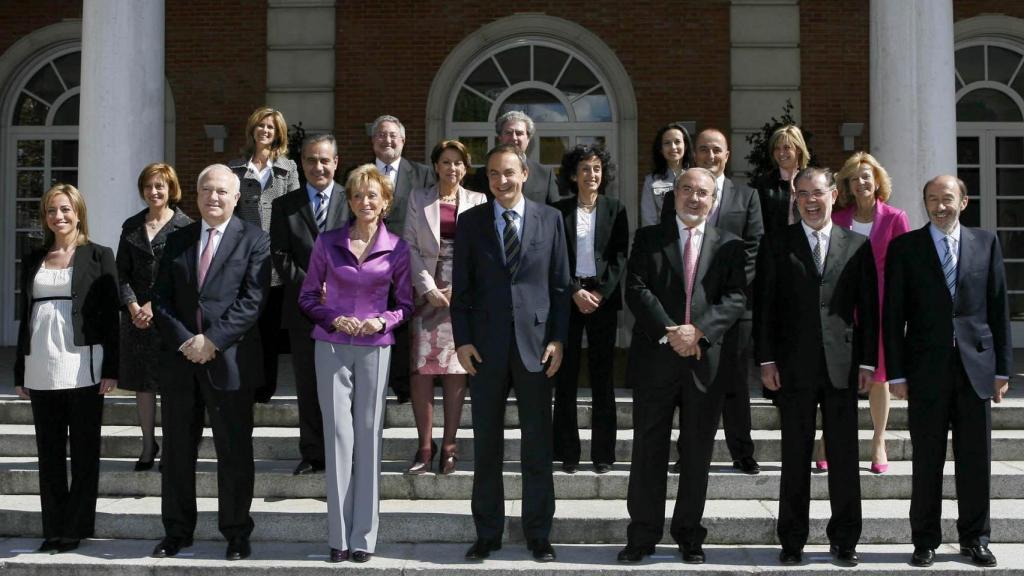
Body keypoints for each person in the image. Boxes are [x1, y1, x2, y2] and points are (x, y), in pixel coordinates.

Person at [617, 168, 747, 564]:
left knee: (696, 453)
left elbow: (736, 297)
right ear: (674, 195)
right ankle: (642, 535)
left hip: (703, 363)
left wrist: (699, 332)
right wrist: (672, 331)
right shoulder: (648, 238)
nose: (694, 198)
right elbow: (636, 289)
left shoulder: (731, 245)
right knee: (648, 452)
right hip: (656, 359)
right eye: (686, 189)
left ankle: (689, 534)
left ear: (714, 200)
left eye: (702, 192)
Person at [884, 175, 1012, 568]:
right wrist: (897, 374)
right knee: (927, 459)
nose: (940, 207)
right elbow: (893, 316)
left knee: (976, 460)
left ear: (964, 201)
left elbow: (998, 308)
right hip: (926, 371)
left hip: (976, 368)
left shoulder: (986, 243)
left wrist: (1002, 369)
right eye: (932, 200)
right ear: (924, 203)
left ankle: (976, 538)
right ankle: (924, 539)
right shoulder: (906, 247)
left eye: (948, 199)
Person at [452, 144, 571, 562]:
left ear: (525, 174)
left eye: (509, 173)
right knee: (487, 447)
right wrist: (462, 340)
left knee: (537, 446)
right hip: (484, 351)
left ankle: (539, 533)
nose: (502, 181)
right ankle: (487, 533)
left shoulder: (551, 219)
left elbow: (560, 287)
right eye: (494, 175)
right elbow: (461, 290)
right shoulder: (470, 223)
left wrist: (558, 339)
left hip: (537, 350)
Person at [755, 167, 877, 567]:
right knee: (795, 457)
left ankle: (845, 540)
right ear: (795, 197)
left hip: (843, 369)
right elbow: (765, 308)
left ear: (832, 195)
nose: (810, 200)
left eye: (817, 192)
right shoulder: (776, 243)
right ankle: (792, 540)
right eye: (802, 192)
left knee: (844, 458)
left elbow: (869, 311)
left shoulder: (857, 246)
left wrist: (867, 362)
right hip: (792, 368)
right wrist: (767, 359)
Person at [151, 164, 270, 562]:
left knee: (234, 452)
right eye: (206, 190)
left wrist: (213, 340)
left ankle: (236, 532)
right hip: (181, 362)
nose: (213, 197)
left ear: (237, 198)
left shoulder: (253, 239)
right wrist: (188, 340)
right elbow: (162, 298)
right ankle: (177, 531)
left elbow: (253, 300)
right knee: (177, 453)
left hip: (230, 362)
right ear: (195, 195)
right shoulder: (177, 239)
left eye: (221, 191)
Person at [298, 164, 412, 563]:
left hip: (376, 346)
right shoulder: (327, 243)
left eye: (372, 195)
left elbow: (406, 304)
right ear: (349, 201)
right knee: (337, 439)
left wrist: (383, 319)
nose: (365, 202)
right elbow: (308, 296)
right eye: (358, 195)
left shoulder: (397, 247)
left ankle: (364, 538)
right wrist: (332, 316)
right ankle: (339, 538)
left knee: (369, 439)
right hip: (330, 345)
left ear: (385, 203)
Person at [14, 184, 119, 554]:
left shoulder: (99, 255)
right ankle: (54, 528)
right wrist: (19, 371)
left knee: (85, 451)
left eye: (64, 210)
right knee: (50, 453)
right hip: (40, 365)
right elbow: (25, 317)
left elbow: (111, 316)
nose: (58, 217)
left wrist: (112, 368)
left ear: (78, 212)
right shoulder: (34, 258)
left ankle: (75, 527)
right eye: (51, 211)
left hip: (82, 365)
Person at [662, 128, 764, 475]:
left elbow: (753, 249)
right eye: (703, 149)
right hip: (685, 309)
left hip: (732, 311)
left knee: (734, 383)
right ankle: (687, 452)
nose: (710, 155)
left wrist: (722, 300)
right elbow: (671, 250)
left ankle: (742, 452)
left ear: (727, 154)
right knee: (687, 384)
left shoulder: (747, 197)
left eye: (716, 150)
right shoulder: (679, 194)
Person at [402, 140, 486, 475]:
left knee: (455, 372)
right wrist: (428, 288)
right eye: (446, 162)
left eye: (458, 163)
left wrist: (461, 289)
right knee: (422, 372)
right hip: (426, 295)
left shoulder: (479, 200)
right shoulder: (418, 198)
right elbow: (408, 245)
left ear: (465, 168)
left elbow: (483, 252)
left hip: (463, 296)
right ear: (435, 166)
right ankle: (425, 445)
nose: (452, 168)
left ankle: (449, 446)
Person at [270, 133, 349, 476]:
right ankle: (314, 453)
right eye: (311, 160)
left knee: (346, 386)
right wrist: (314, 287)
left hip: (348, 310)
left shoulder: (355, 199)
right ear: (301, 164)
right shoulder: (285, 205)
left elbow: (367, 247)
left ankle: (344, 452)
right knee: (308, 385)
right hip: (304, 311)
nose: (318, 166)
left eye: (324, 160)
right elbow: (279, 255)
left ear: (336, 162)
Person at [831, 152, 910, 473]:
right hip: (842, 305)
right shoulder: (837, 219)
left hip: (880, 305)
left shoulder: (894, 218)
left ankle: (878, 441)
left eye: (867, 176)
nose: (861, 182)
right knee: (837, 373)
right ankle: (828, 439)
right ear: (847, 185)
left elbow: (904, 266)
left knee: (879, 377)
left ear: (877, 181)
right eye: (854, 178)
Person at [552, 144, 628, 475]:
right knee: (565, 377)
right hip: (568, 300)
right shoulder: (558, 211)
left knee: (602, 378)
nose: (591, 175)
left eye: (596, 168)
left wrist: (598, 292)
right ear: (573, 174)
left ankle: (603, 455)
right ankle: (568, 453)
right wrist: (574, 291)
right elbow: (553, 259)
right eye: (585, 168)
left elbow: (620, 256)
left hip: (603, 301)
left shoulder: (616, 209)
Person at [116, 163, 192, 471]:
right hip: (137, 324)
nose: (154, 191)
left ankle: (173, 447)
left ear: (171, 189)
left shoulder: (186, 227)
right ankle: (148, 445)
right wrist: (134, 306)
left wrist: (153, 305)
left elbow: (187, 278)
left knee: (173, 388)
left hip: (171, 319)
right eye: (149, 186)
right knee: (143, 387)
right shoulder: (131, 226)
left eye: (160, 186)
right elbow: (121, 274)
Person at [228, 107, 300, 403]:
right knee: (246, 327)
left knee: (270, 329)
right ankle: (246, 382)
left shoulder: (288, 169)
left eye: (271, 127)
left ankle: (266, 388)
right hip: (244, 262)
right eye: (260, 125)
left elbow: (296, 212)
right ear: (252, 130)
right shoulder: (234, 169)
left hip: (275, 262)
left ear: (278, 133)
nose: (265, 131)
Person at [368, 114, 434, 405]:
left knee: (406, 323)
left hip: (409, 261)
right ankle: (375, 384)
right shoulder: (360, 174)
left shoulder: (422, 175)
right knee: (374, 320)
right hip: (370, 263)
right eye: (381, 135)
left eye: (393, 135)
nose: (388, 140)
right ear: (373, 141)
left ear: (404, 140)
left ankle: (404, 387)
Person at [466, 110, 561, 204]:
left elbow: (554, 213)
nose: (514, 138)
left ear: (528, 139)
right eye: (508, 133)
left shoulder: (545, 174)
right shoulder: (482, 175)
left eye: (519, 133)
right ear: (500, 138)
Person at [640, 121, 692, 226]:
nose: (673, 147)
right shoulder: (651, 181)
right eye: (667, 143)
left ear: (685, 146)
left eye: (677, 142)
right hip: (662, 239)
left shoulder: (697, 177)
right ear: (660, 149)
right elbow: (648, 221)